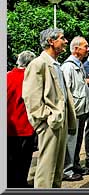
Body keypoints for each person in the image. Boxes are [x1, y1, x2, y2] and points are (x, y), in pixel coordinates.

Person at [22, 28, 77, 188]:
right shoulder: (38, 64)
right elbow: (31, 98)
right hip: (50, 123)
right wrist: (46, 118)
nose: (66, 41)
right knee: (46, 170)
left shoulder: (55, 64)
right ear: (51, 41)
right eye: (62, 38)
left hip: (59, 122)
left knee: (57, 169)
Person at [61, 37, 89, 181]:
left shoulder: (79, 65)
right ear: (76, 49)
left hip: (81, 110)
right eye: (85, 47)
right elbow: (65, 91)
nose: (88, 49)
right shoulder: (68, 67)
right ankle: (67, 171)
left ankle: (74, 165)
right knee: (70, 141)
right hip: (73, 111)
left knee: (77, 140)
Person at [7, 50, 36, 188]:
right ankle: (21, 185)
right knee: (23, 160)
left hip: (8, 125)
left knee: (9, 160)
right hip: (24, 126)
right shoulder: (30, 78)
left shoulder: (7, 76)